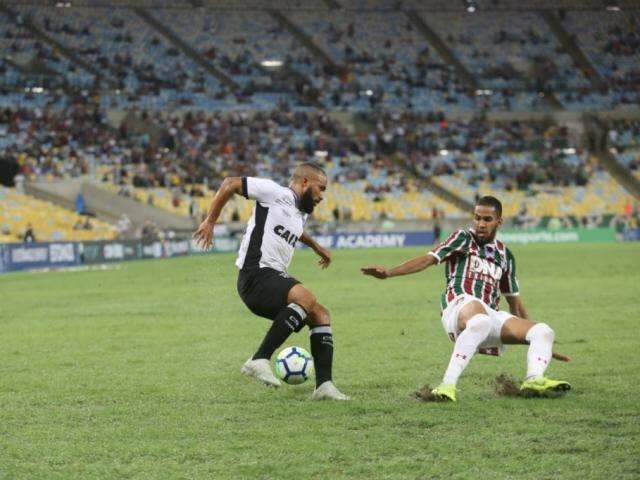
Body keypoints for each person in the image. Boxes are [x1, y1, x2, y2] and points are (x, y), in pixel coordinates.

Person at [361, 196, 570, 401]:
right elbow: (428, 259)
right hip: (458, 306)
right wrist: (389, 273)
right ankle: (446, 386)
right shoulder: (462, 238)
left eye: (487, 219)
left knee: (543, 330)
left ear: (499, 221)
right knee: (480, 319)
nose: (480, 224)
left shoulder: (505, 255)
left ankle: (533, 379)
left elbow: (515, 304)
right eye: (477, 218)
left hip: (489, 314)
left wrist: (537, 342)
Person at [193, 162, 349, 400]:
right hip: (255, 275)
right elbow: (229, 183)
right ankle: (258, 359)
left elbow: (295, 230)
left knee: (320, 314)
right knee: (306, 297)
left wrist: (317, 247)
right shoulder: (273, 192)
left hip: (271, 278)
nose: (322, 196)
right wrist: (211, 220)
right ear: (305, 182)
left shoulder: (300, 213)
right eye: (321, 188)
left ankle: (324, 386)